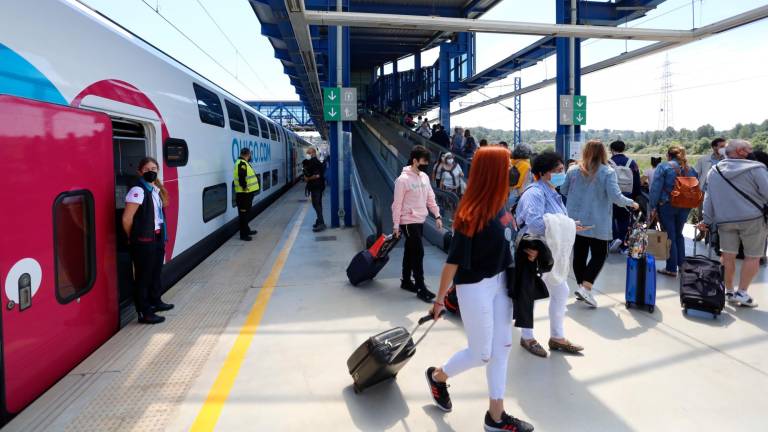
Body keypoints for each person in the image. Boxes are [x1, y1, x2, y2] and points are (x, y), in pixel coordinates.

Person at [426, 146, 535, 432]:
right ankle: (438, 377)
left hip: (501, 283)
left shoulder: (501, 203)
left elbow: (504, 241)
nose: (512, 169)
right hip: (475, 286)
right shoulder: (471, 212)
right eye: (507, 164)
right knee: (481, 353)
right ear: (492, 171)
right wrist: (439, 301)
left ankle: (496, 417)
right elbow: (453, 262)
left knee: (503, 347)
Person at [516, 151, 585, 357]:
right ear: (544, 173)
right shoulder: (535, 193)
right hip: (533, 252)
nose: (562, 174)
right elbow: (535, 223)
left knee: (561, 290)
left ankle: (556, 337)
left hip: (548, 252)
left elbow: (558, 221)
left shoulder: (553, 192)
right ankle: (526, 337)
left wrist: (571, 226)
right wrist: (566, 224)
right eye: (558, 170)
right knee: (529, 295)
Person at [560, 140, 638, 308]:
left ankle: (582, 288)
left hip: (576, 221)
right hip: (598, 221)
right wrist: (632, 203)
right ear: (603, 153)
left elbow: (563, 190)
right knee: (600, 254)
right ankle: (586, 287)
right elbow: (616, 197)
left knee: (579, 255)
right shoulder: (607, 172)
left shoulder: (573, 170)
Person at [700, 139, 768, 307]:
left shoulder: (714, 171)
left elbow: (709, 199)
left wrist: (707, 220)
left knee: (727, 255)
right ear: (741, 152)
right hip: (753, 219)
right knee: (752, 256)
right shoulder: (757, 169)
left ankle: (729, 291)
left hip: (725, 220)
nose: (752, 152)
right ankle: (742, 292)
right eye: (749, 149)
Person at [122, 157, 174, 324]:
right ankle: (144, 312)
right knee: (143, 277)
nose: (151, 171)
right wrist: (134, 236)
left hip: (157, 237)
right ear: (140, 172)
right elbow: (126, 219)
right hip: (144, 240)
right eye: (147, 169)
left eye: (154, 168)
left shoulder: (155, 190)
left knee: (155, 272)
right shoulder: (138, 191)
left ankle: (156, 301)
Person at [392, 145, 443, 303]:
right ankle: (421, 287)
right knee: (418, 252)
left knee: (410, 250)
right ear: (414, 161)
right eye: (424, 161)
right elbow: (397, 204)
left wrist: (437, 215)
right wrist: (395, 225)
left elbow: (430, 198)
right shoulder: (402, 180)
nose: (426, 164)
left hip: (420, 219)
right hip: (407, 221)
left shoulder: (424, 178)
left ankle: (406, 280)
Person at [649, 146, 698, 276]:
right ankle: (682, 266)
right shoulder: (690, 169)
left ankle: (671, 268)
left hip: (667, 205)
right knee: (679, 234)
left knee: (670, 236)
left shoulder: (663, 167)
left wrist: (652, 206)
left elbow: (655, 188)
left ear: (668, 155)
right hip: (685, 206)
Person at [609, 140, 641, 253]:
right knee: (625, 220)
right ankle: (624, 245)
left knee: (610, 218)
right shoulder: (632, 163)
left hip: (611, 196)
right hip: (628, 195)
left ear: (612, 150)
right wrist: (634, 197)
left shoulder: (608, 162)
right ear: (624, 149)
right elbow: (637, 182)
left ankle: (613, 240)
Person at [693, 138, 726, 240]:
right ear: (714, 147)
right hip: (703, 191)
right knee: (701, 214)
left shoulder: (727, 160)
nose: (724, 148)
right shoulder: (703, 159)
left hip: (721, 193)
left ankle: (712, 238)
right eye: (721, 146)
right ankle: (702, 233)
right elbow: (696, 174)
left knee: (718, 215)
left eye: (725, 146)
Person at [233, 148, 260, 241]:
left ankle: (247, 230)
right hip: (243, 194)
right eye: (250, 155)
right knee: (243, 215)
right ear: (248, 154)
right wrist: (244, 187)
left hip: (246, 194)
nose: (250, 156)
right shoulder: (242, 164)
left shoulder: (243, 163)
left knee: (246, 213)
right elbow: (241, 177)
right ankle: (243, 235)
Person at [303, 147, 326, 232]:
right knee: (317, 204)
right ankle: (319, 221)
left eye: (308, 153)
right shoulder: (312, 162)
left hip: (317, 187)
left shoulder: (315, 162)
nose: (307, 155)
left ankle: (321, 223)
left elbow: (317, 175)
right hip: (316, 187)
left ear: (313, 153)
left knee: (316, 205)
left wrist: (308, 178)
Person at [508, 144, 533, 209]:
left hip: (508, 191)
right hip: (516, 194)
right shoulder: (526, 165)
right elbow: (522, 183)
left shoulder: (511, 162)